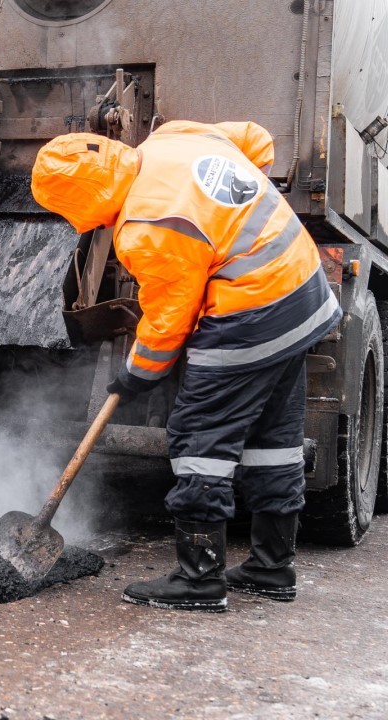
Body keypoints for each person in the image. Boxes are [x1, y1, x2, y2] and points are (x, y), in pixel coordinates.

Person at [31, 120, 342, 612]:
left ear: (82, 200)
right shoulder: (176, 137)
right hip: (302, 290)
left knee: (200, 440)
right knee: (272, 440)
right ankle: (271, 567)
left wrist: (136, 374)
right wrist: (233, 215)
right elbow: (257, 139)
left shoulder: (146, 225)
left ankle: (199, 579)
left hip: (251, 311)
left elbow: (169, 321)